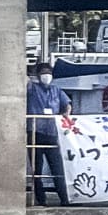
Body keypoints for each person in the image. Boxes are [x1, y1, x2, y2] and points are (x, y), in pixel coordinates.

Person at [26, 63, 72, 205]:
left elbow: (67, 104)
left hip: (52, 133)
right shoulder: (32, 89)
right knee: (37, 170)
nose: (46, 75)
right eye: (43, 72)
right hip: (35, 132)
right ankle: (41, 200)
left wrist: (66, 113)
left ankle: (65, 199)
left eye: (49, 72)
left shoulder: (57, 90)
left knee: (58, 168)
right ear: (38, 75)